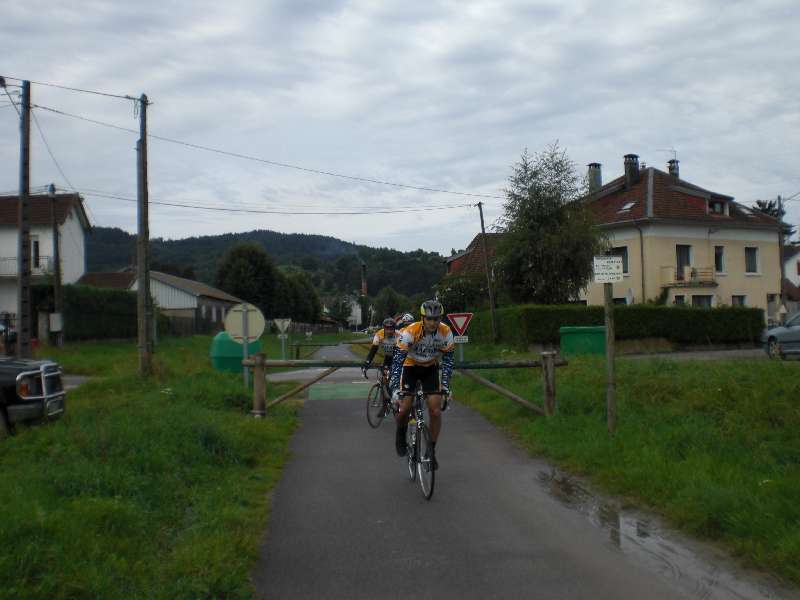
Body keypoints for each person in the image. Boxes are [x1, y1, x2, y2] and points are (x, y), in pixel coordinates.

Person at [388, 300, 454, 470]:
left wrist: (445, 386)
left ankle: (431, 451)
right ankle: (400, 434)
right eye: (429, 319)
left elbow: (448, 361)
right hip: (410, 367)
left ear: (440, 318)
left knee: (435, 410)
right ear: (423, 318)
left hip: (430, 369)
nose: (433, 322)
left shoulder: (446, 332)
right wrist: (395, 388)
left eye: (436, 319)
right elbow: (397, 361)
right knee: (403, 410)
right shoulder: (411, 331)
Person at [362, 318, 402, 384]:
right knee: (384, 378)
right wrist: (367, 363)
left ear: (394, 328)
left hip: (397, 357)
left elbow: (402, 351)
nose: (389, 331)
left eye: (391, 329)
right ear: (384, 328)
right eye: (387, 329)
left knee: (397, 378)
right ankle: (384, 391)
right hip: (387, 357)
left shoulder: (399, 335)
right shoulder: (379, 335)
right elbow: (373, 351)